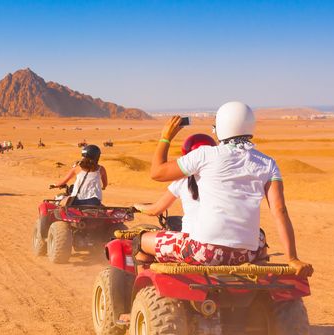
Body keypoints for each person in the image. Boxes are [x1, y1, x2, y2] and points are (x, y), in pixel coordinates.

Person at [134, 102, 313, 278]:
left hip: (203, 251)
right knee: (260, 238)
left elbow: (157, 173)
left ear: (220, 128)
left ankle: (143, 292)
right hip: (246, 254)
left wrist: (165, 137)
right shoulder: (268, 163)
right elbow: (279, 210)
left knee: (140, 242)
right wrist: (292, 258)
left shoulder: (204, 154)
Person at [134, 134, 217, 237]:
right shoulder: (223, 179)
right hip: (223, 240)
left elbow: (155, 210)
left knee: (140, 241)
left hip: (190, 241)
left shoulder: (182, 181)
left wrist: (137, 207)